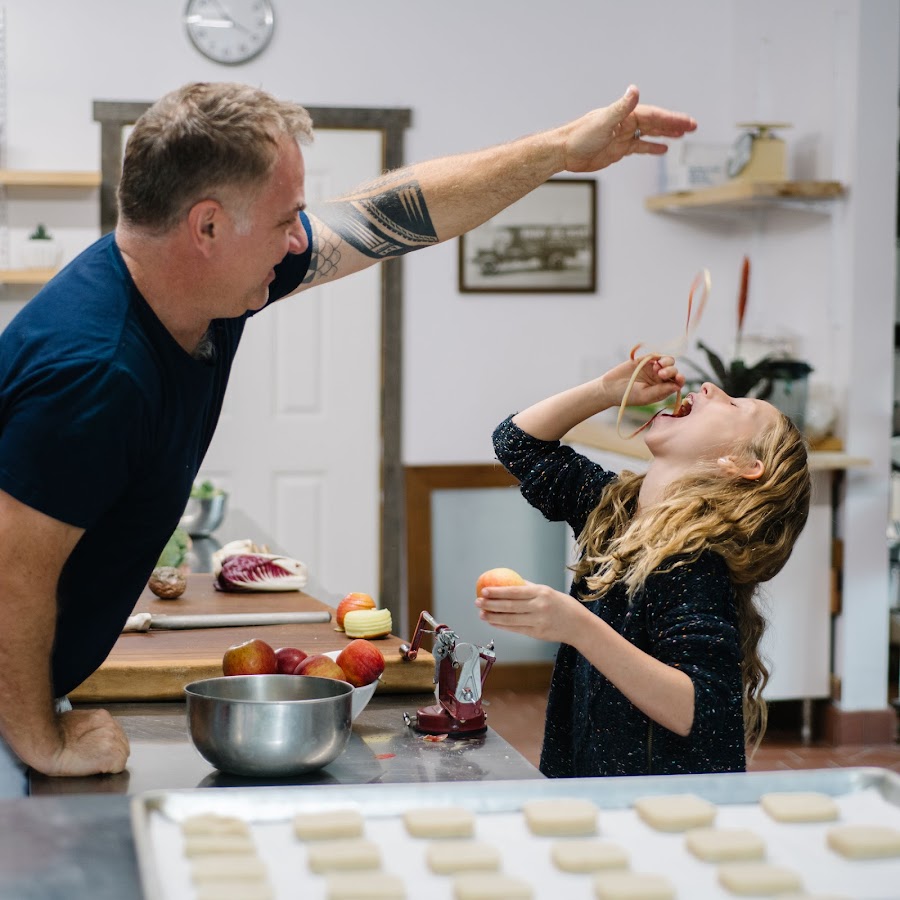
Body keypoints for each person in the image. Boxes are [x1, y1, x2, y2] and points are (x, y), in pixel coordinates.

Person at [0, 80, 696, 795]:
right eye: (285, 220)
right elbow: (9, 576)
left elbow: (385, 218)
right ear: (206, 228)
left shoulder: (200, 287)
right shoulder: (96, 372)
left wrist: (556, 151)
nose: (301, 239)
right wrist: (41, 741)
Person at [476, 355, 811, 777]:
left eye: (734, 406)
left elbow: (699, 708)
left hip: (666, 816)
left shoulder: (695, 562)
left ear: (744, 465)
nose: (709, 389)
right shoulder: (616, 514)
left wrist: (575, 625)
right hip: (599, 793)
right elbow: (516, 443)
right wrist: (606, 392)